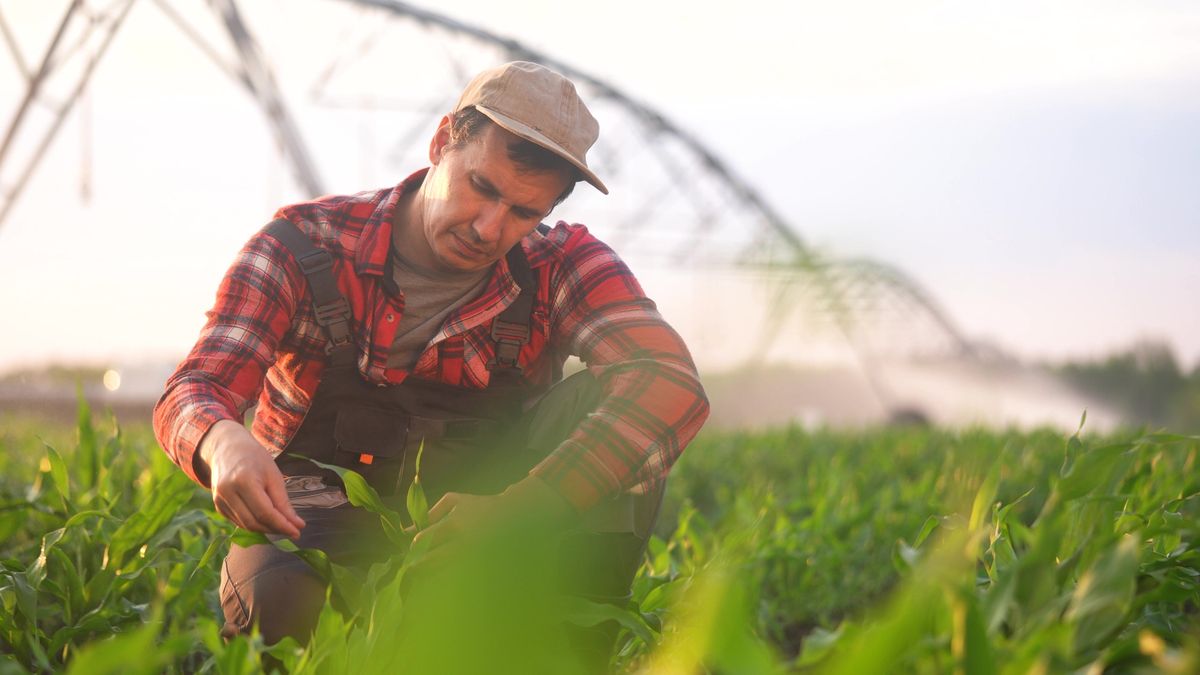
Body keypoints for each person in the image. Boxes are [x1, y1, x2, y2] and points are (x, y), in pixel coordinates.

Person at [153, 61, 709, 667]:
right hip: (314, 521)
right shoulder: (303, 246)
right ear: (443, 140)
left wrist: (525, 507)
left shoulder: (560, 264)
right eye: (483, 187)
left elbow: (670, 383)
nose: (490, 227)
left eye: (525, 213)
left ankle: (558, 649)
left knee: (612, 403)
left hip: (485, 527)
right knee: (283, 604)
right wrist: (222, 442)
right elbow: (196, 387)